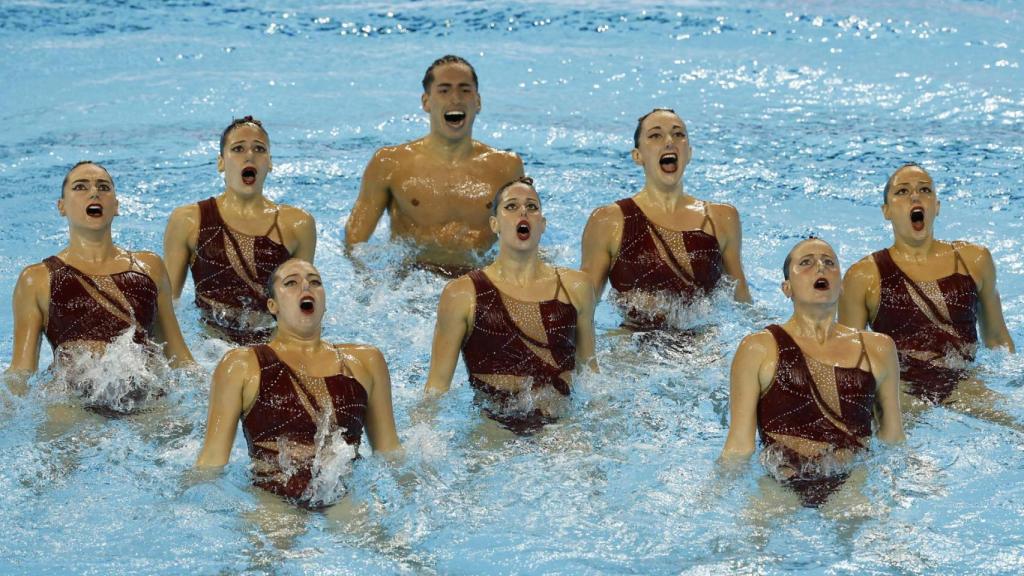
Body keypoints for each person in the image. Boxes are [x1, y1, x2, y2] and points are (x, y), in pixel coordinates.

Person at [195, 258, 400, 508]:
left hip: (341, 494)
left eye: (315, 282)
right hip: (271, 496)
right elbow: (211, 463)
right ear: (273, 305)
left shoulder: (365, 362)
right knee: (272, 544)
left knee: (375, 543)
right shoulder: (241, 365)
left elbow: (389, 453)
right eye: (291, 283)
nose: (306, 288)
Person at [721, 238, 904, 508]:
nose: (820, 267)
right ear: (787, 288)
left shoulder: (878, 348)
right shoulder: (758, 348)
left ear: (841, 286)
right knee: (749, 545)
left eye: (829, 263)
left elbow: (892, 438)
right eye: (806, 263)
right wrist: (712, 494)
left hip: (852, 479)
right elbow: (739, 447)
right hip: (780, 483)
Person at [5, 161, 194, 409]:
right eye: (80, 187)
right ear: (61, 207)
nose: (94, 193)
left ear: (115, 206)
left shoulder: (149, 267)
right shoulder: (37, 279)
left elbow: (179, 356)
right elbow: (21, 371)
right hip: (74, 404)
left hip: (147, 399)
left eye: (103, 187)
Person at [424, 176, 597, 433]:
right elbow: (436, 391)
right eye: (511, 206)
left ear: (542, 224)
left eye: (532, 206)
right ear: (495, 224)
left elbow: (590, 375)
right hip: (493, 427)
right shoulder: (462, 294)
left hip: (561, 426)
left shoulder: (576, 288)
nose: (523, 212)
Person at [839, 163, 1015, 406]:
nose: (914, 196)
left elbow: (996, 338)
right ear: (886, 210)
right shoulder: (863, 277)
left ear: (937, 206)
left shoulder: (974, 261)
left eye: (925, 190)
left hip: (964, 383)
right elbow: (848, 360)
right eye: (902, 192)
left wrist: (1013, 385)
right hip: (902, 390)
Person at [345, 55, 525, 276]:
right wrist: (371, 286)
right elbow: (355, 243)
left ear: (477, 102)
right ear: (426, 102)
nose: (456, 98)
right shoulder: (389, 163)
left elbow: (524, 235)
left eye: (465, 90)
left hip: (479, 278)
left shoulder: (506, 167)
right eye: (444, 90)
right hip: (412, 281)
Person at [581, 108, 751, 329]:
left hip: (704, 348)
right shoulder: (608, 220)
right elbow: (583, 306)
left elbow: (743, 303)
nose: (669, 141)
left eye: (678, 134)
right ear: (638, 156)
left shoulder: (721, 218)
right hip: (633, 349)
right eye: (655, 135)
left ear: (688, 152)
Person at [163, 116, 316, 344]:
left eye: (259, 149)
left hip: (274, 343)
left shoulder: (297, 224)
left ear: (270, 162)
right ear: (221, 162)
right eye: (238, 149)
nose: (249, 155)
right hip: (212, 347)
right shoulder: (188, 220)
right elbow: (168, 305)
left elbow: (302, 305)